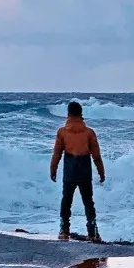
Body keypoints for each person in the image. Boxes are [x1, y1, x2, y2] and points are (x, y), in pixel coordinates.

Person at [50, 101, 105, 241]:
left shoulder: (62, 132)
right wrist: (101, 172)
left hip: (70, 170)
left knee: (66, 200)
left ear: (68, 114)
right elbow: (96, 156)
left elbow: (57, 153)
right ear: (81, 115)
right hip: (85, 171)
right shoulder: (89, 133)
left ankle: (64, 230)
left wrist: (53, 169)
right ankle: (93, 232)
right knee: (88, 201)